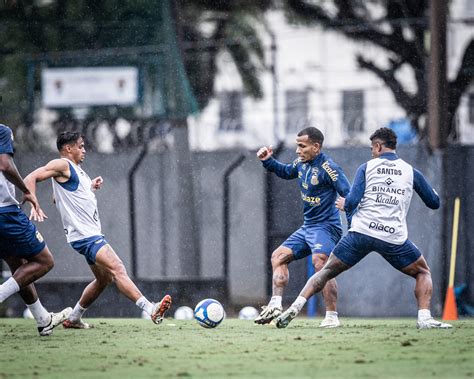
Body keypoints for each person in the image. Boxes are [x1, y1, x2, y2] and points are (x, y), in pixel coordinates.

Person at [275, 127, 452, 329]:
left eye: (371, 148)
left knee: (325, 272)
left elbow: (351, 202)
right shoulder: (411, 171)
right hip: (392, 237)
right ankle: (424, 318)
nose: (371, 151)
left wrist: (344, 204)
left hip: (361, 233)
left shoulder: (367, 168)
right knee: (422, 272)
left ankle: (295, 307)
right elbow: (434, 202)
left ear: (377, 146)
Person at [24, 131, 172, 328]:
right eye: (81, 146)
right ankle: (150, 309)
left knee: (103, 279)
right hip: (86, 236)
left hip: (85, 235)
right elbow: (30, 177)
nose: (84, 150)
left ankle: (74, 317)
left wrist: (90, 187)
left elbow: (59, 197)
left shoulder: (76, 171)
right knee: (118, 268)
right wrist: (33, 201)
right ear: (68, 149)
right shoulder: (63, 164)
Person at [255, 126, 352, 328]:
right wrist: (268, 161)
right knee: (278, 256)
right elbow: (285, 171)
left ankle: (332, 316)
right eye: (297, 146)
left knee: (321, 263)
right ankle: (275, 304)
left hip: (326, 227)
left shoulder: (329, 168)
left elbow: (349, 193)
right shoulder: (301, 163)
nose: (298, 151)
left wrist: (348, 209)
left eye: (302, 146)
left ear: (316, 147)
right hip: (308, 227)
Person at [0, 123, 71, 336]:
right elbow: (4, 164)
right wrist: (25, 190)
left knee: (18, 266)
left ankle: (42, 319)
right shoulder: (2, 130)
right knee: (44, 261)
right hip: (5, 212)